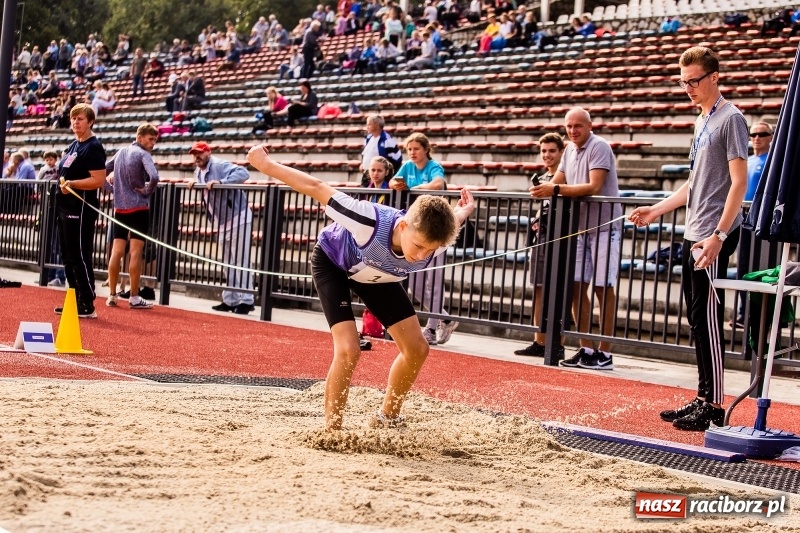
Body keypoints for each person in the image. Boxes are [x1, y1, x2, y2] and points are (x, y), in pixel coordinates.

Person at [245, 144, 475, 430]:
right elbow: (316, 187)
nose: (420, 256)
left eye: (430, 250)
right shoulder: (367, 219)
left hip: (378, 274)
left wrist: (463, 210)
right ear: (403, 227)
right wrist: (266, 165)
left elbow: (455, 220)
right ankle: (333, 428)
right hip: (335, 263)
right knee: (350, 349)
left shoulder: (434, 244)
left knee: (417, 348)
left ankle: (386, 418)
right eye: (417, 246)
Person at [630, 46, 748, 431]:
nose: (688, 88)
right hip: (693, 230)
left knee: (708, 319)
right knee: (696, 319)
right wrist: (655, 211)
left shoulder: (731, 119)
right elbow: (692, 185)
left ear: (714, 76)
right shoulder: (702, 121)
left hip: (713, 232)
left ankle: (714, 405)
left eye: (694, 80)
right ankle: (703, 396)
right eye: (683, 81)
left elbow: (739, 183)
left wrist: (719, 234)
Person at [531, 107, 622, 371]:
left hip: (605, 226)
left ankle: (605, 353)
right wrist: (543, 189)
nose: (572, 131)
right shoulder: (569, 150)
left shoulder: (599, 146)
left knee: (603, 288)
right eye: (569, 126)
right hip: (581, 229)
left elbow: (593, 186)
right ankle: (586, 347)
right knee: (576, 287)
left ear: (589, 126)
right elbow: (558, 179)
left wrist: (554, 188)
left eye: (577, 126)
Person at [388, 133, 457, 345]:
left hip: (435, 231)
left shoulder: (433, 166)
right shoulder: (407, 167)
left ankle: (431, 327)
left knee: (434, 283)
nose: (412, 152)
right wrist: (398, 185)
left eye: (416, 148)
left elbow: (438, 184)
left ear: (426, 149)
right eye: (409, 149)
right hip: (416, 233)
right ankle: (445, 317)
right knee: (416, 287)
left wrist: (413, 190)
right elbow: (392, 181)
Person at [187, 142, 255, 315]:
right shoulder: (198, 172)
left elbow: (243, 172)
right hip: (222, 221)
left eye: (200, 153)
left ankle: (247, 301)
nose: (197, 156)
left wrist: (222, 182)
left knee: (240, 260)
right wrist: (194, 183)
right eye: (194, 154)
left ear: (208, 152)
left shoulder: (218, 165)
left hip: (237, 217)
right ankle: (230, 299)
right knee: (227, 263)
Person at [515, 132, 566, 359]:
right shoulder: (544, 178)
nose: (547, 155)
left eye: (552, 151)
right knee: (538, 288)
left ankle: (556, 342)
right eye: (544, 151)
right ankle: (539, 340)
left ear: (561, 152)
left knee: (557, 292)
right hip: (542, 237)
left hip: (559, 238)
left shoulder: (564, 178)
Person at [54, 103, 107, 318]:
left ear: (90, 122)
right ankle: (74, 299)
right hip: (65, 207)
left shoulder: (92, 147)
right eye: (73, 118)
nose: (75, 122)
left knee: (78, 254)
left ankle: (86, 302)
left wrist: (73, 185)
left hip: (81, 208)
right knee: (67, 255)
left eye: (80, 119)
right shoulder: (73, 145)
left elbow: (98, 180)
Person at [104, 124, 160, 310]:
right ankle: (134, 297)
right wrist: (146, 192)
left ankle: (112, 295)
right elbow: (154, 176)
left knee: (117, 251)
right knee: (135, 252)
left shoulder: (120, 152)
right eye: (151, 139)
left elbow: (103, 170)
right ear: (141, 137)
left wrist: (112, 189)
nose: (153, 144)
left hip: (120, 208)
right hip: (138, 208)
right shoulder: (143, 154)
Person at [732, 121, 773, 328]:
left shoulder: (772, 162)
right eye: (753, 134)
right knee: (743, 267)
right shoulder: (745, 160)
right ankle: (743, 313)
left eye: (762, 134)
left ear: (770, 137)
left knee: (760, 268)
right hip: (743, 219)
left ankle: (758, 315)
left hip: (761, 220)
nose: (756, 138)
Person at [360, 114, 403, 185]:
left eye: (369, 124)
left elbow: (397, 159)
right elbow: (365, 153)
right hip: (367, 174)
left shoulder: (387, 140)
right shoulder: (368, 138)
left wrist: (387, 174)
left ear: (377, 125)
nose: (367, 127)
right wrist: (363, 164)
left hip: (381, 177)